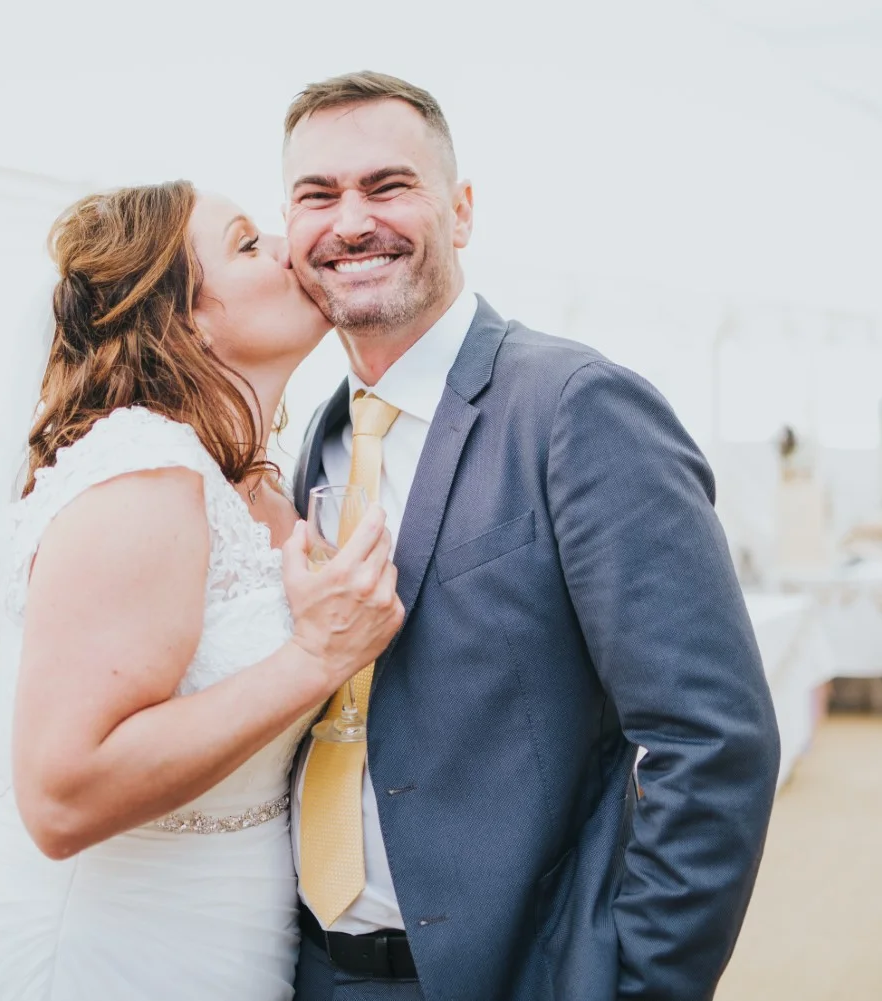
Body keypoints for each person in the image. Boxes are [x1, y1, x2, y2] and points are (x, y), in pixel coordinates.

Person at [281, 72, 782, 1001]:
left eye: (388, 186)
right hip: (312, 969)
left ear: (462, 210)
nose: (351, 222)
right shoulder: (321, 432)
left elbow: (712, 739)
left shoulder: (577, 406)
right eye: (318, 195)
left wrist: (635, 984)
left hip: (522, 975)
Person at [0, 181, 403, 1000]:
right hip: (102, 955)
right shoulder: (142, 477)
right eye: (248, 243)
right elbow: (61, 797)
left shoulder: (265, 489)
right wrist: (313, 658)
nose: (290, 245)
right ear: (184, 319)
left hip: (237, 947)